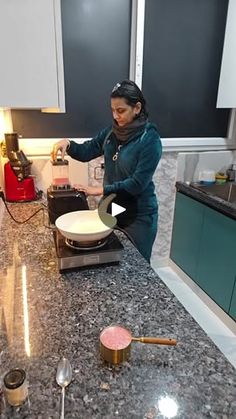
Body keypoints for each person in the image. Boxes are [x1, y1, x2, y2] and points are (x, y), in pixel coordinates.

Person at [51, 80, 162, 262]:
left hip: (139, 216)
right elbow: (88, 149)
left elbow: (137, 184)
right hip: (114, 209)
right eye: (112, 110)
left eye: (121, 110)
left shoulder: (150, 140)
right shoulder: (111, 133)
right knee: (113, 266)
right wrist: (68, 144)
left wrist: (101, 190)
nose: (115, 116)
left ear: (137, 108)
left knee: (137, 269)